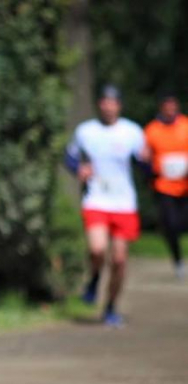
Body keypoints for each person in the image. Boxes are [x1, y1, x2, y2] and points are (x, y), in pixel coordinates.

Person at [65, 85, 147, 327]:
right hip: (96, 199)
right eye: (104, 102)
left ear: (119, 105)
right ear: (99, 104)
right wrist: (78, 169)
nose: (108, 106)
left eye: (113, 102)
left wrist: (147, 162)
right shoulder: (86, 131)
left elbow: (144, 165)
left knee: (119, 260)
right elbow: (69, 156)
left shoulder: (132, 131)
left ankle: (110, 307)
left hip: (124, 203)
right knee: (98, 249)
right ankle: (94, 279)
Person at [144, 93, 188, 279]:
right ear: (161, 108)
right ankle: (178, 261)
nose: (170, 110)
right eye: (166, 106)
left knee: (183, 223)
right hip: (164, 186)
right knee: (171, 225)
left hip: (186, 185)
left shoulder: (186, 125)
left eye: (173, 106)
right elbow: (144, 157)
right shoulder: (152, 130)